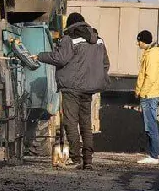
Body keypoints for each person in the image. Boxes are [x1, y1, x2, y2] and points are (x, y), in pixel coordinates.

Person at [34, 12, 110, 170]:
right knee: (86, 124)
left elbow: (60, 58)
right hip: (88, 89)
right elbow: (105, 64)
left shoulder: (70, 38)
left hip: (71, 88)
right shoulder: (98, 40)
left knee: (70, 122)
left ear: (70, 24)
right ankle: (88, 160)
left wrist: (40, 56)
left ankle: (75, 159)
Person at [135, 30, 159, 165]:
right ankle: (152, 154)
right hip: (150, 93)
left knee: (151, 125)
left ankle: (154, 156)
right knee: (149, 124)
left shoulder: (152, 55)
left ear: (143, 41)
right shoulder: (150, 53)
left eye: (139, 41)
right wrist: (138, 90)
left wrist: (143, 92)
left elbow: (150, 77)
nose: (137, 44)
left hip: (150, 94)